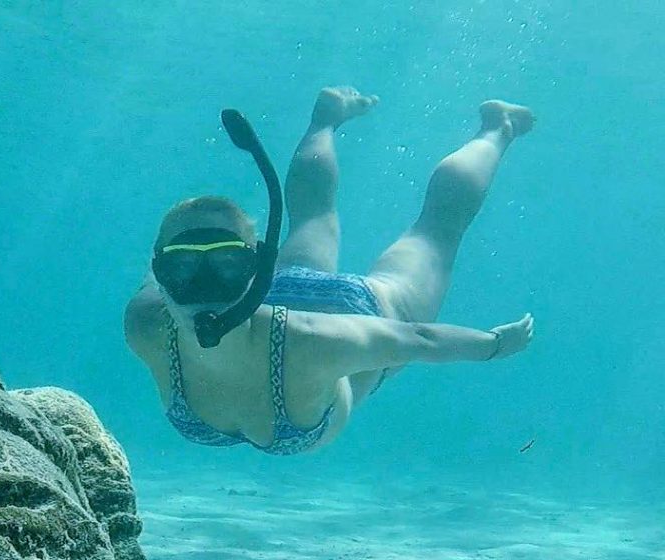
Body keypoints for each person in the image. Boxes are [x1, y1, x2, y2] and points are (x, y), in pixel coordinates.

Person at [124, 87, 535, 455]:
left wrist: (496, 345)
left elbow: (418, 338)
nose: (204, 287)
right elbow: (420, 339)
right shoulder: (145, 323)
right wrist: (493, 345)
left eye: (226, 265)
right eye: (183, 267)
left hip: (351, 311)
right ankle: (325, 119)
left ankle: (499, 128)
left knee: (435, 231)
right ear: (163, 274)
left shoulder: (309, 342)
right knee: (327, 219)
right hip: (289, 293)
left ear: (257, 270)